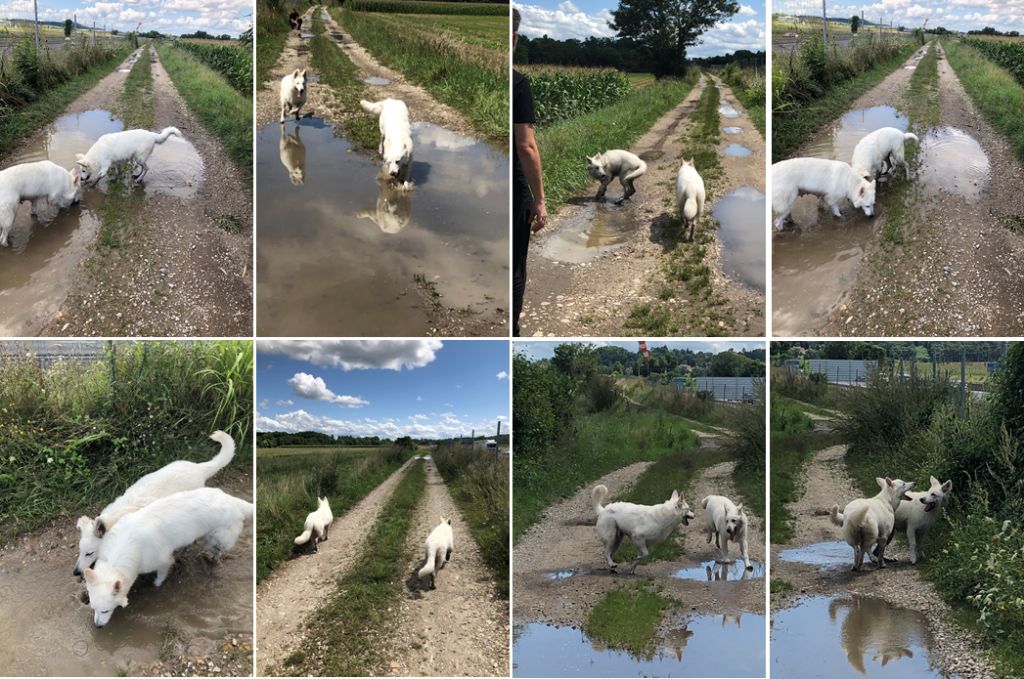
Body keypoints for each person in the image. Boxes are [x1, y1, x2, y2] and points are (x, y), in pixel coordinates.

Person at [512, 8, 546, 337]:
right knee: (516, 266)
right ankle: (513, 326)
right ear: (514, 38)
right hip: (514, 193)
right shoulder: (518, 83)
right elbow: (526, 147)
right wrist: (540, 200)